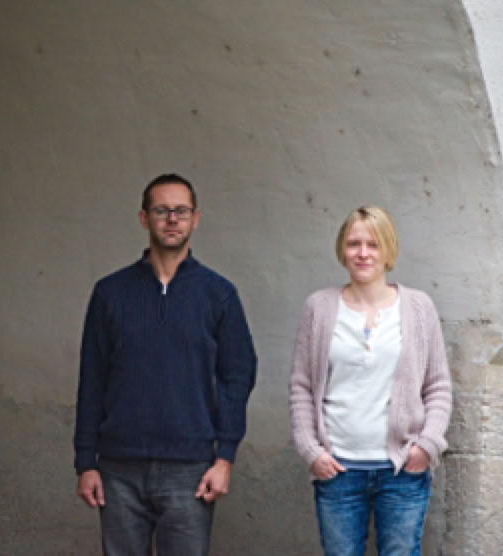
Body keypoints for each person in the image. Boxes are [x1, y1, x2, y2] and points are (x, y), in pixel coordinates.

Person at [74, 173, 257, 556]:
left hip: (190, 467)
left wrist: (224, 457)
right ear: (144, 218)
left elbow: (237, 377)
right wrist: (85, 462)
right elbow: (92, 380)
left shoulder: (218, 294)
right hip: (119, 467)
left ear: (195, 218)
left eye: (181, 211)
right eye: (161, 210)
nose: (172, 219)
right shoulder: (110, 293)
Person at [289, 206, 452, 556]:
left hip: (402, 469)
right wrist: (310, 450)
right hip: (338, 468)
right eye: (354, 244)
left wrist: (427, 445)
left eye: (373, 244)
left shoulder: (418, 307)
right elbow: (301, 386)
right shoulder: (319, 307)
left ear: (388, 249)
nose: (363, 253)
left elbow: (437, 385)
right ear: (342, 249)